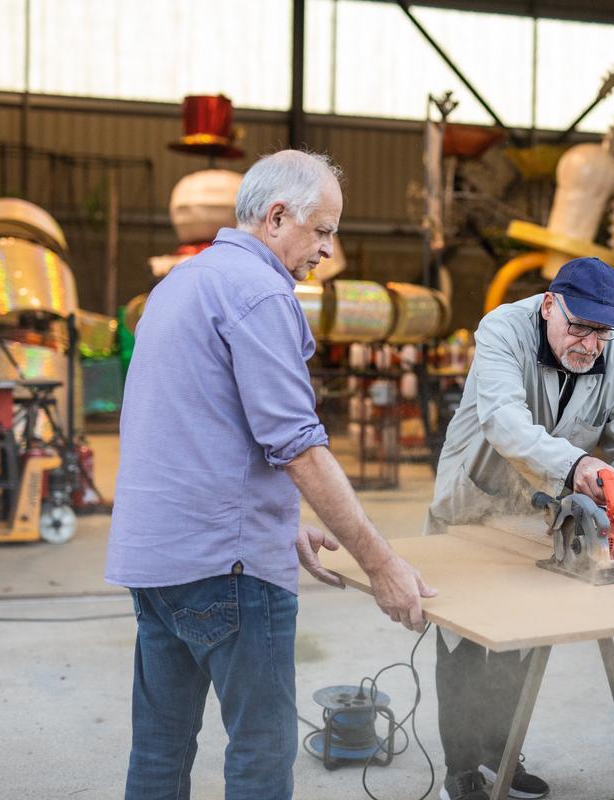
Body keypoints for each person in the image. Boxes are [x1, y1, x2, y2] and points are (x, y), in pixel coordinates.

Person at [106, 149, 436, 800]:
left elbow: (187, 426)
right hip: (225, 574)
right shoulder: (259, 291)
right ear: (278, 217)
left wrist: (277, 523)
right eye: (323, 231)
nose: (327, 251)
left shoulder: (180, 284)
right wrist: (382, 566)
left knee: (159, 752)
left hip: (155, 565)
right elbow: (300, 449)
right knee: (262, 754)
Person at [427, 257, 614, 800]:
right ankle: (461, 771)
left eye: (602, 331)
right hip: (472, 509)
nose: (589, 343)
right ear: (550, 305)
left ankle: (500, 756)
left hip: (537, 518)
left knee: (524, 637)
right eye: (578, 326)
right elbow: (503, 420)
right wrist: (577, 466)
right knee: (463, 639)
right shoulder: (502, 329)